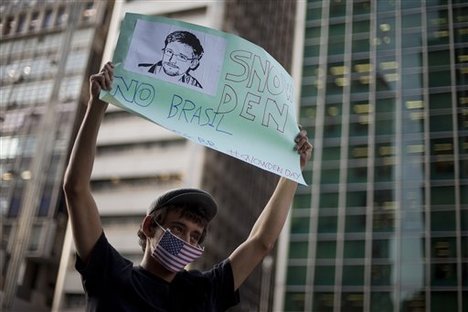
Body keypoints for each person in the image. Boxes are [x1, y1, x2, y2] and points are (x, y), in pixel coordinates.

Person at [63, 62, 312, 311]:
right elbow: (75, 189)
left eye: (195, 236)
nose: (186, 241)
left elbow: (261, 242)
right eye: (178, 229)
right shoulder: (112, 275)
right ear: (150, 226)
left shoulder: (202, 291)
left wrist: (291, 170)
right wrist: (97, 105)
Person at [138, 30, 204, 88]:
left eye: (182, 57)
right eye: (169, 52)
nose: (172, 60)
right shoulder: (139, 70)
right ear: (163, 51)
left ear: (193, 63)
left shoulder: (195, 87)